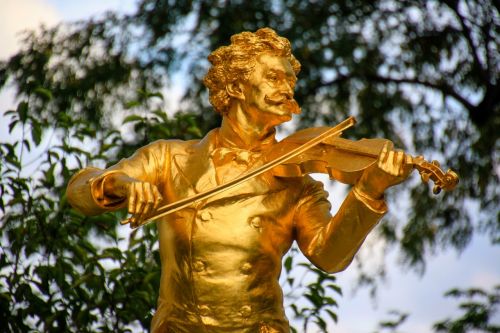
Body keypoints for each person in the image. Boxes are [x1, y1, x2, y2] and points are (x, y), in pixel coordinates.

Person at [66, 28, 412, 333]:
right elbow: (79, 191)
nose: (288, 90)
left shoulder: (298, 185)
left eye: (291, 81)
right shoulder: (170, 158)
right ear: (235, 85)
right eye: (275, 78)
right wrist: (120, 185)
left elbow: (330, 256)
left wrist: (369, 189)